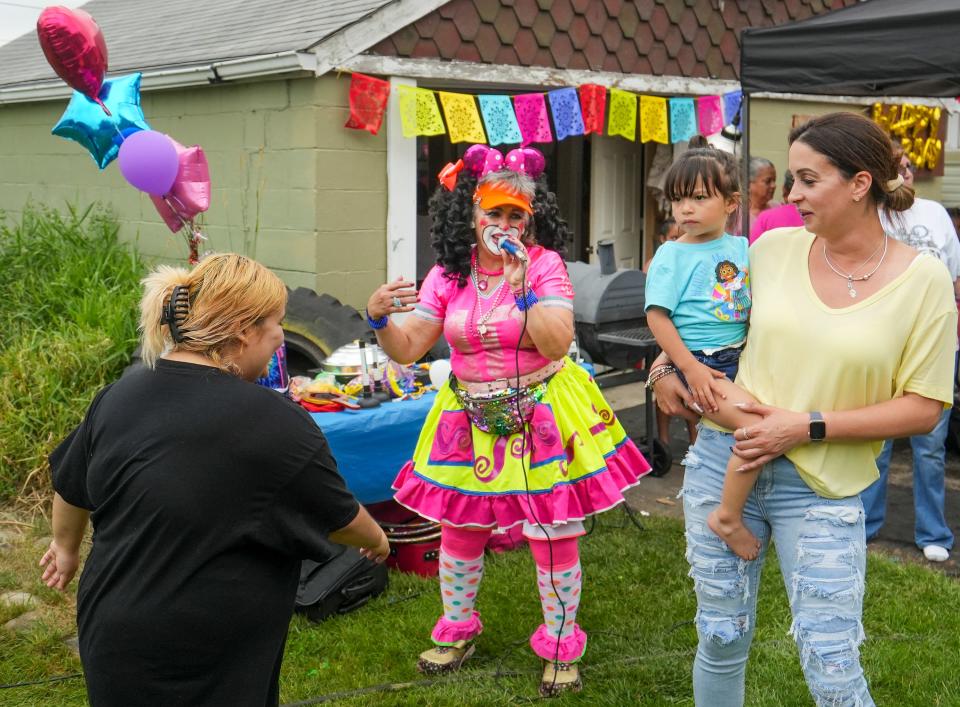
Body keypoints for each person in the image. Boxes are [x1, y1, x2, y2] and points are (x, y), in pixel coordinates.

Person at [651, 112, 956, 706]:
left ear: (860, 184)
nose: (791, 195)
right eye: (791, 180)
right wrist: (665, 369)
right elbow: (700, 321)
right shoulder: (769, 250)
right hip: (724, 460)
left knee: (832, 661)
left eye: (808, 180)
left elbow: (924, 407)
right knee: (719, 638)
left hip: (820, 486)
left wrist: (807, 425)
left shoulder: (924, 283)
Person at [39, 253, 390, 707]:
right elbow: (340, 517)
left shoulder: (118, 396)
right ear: (245, 330)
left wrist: (66, 549)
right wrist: (378, 538)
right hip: (207, 647)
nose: (281, 336)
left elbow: (71, 486)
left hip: (112, 631)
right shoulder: (274, 421)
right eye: (276, 323)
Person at [365, 145, 650, 697]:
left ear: (530, 218)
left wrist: (522, 285)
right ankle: (456, 631)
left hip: (541, 409)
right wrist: (377, 316)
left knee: (551, 530)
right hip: (466, 414)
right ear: (472, 215)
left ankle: (562, 643)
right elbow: (407, 349)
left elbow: (556, 342)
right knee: (461, 525)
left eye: (515, 214)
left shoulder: (544, 265)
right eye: (492, 213)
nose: (503, 224)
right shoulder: (449, 275)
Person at [645, 147, 766, 560]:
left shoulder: (744, 248)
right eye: (679, 199)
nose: (686, 209)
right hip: (702, 362)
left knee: (758, 428)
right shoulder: (672, 254)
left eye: (699, 197)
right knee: (754, 428)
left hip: (742, 357)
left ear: (731, 204)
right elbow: (657, 318)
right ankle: (727, 517)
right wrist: (689, 368)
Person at [859, 146, 960, 562]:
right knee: (875, 443)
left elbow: (954, 277)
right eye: (896, 168)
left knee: (930, 445)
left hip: (936, 344)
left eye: (908, 166)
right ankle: (865, 524)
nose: (905, 173)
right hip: (884, 346)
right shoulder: (872, 215)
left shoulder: (936, 213)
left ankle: (933, 532)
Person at [749, 170, 804, 244]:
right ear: (749, 184)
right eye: (767, 181)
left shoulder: (777, 206)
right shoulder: (736, 213)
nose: (774, 185)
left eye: (774, 181)